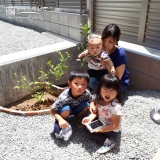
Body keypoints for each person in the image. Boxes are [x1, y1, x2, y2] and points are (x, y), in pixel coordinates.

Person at [82, 74, 123, 154]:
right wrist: (90, 118)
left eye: (112, 90)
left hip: (111, 129)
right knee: (86, 125)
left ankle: (108, 143)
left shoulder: (116, 107)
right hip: (101, 121)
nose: (108, 93)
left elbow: (115, 126)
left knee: (88, 130)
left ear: (117, 92)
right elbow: (97, 112)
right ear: (100, 88)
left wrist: (99, 130)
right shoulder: (100, 98)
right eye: (105, 89)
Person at [83, 24, 130, 93]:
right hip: (104, 78)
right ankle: (105, 93)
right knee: (91, 81)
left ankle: (109, 94)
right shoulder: (99, 48)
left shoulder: (120, 54)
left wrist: (106, 64)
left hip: (117, 84)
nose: (105, 44)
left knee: (110, 89)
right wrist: (88, 58)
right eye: (104, 40)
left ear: (116, 42)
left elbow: (117, 78)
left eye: (110, 42)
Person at [51, 69, 92, 140]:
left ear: (87, 85)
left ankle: (78, 118)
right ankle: (64, 120)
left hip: (76, 109)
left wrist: (93, 105)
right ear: (69, 84)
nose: (80, 87)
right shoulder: (64, 97)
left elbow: (91, 101)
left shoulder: (86, 93)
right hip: (66, 110)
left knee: (87, 105)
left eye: (83, 84)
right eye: (76, 83)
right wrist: (60, 119)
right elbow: (52, 109)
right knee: (66, 110)